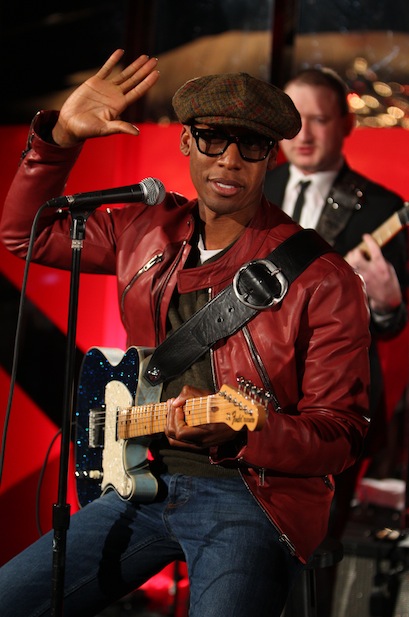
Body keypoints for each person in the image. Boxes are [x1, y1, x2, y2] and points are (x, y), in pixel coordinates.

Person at [0, 50, 371, 617]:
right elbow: (25, 236)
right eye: (212, 139)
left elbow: (341, 433)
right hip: (138, 477)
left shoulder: (322, 278)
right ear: (186, 142)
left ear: (271, 156)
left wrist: (247, 432)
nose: (229, 160)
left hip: (252, 497)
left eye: (250, 145)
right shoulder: (144, 229)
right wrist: (60, 139)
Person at [264, 67, 408, 615]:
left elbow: (389, 324)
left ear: (347, 124)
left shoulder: (383, 209)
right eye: (294, 121)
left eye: (320, 120)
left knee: (315, 554)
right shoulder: (255, 187)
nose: (304, 135)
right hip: (253, 398)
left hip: (334, 408)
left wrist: (387, 302)